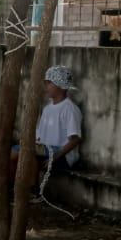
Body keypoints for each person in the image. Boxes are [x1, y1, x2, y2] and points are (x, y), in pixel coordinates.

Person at [13, 65, 82, 198]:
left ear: (60, 86)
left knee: (29, 154)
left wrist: (56, 157)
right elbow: (39, 136)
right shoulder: (47, 108)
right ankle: (15, 190)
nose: (46, 86)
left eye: (49, 82)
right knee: (15, 152)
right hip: (44, 150)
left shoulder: (70, 109)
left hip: (62, 155)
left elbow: (76, 139)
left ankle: (33, 193)